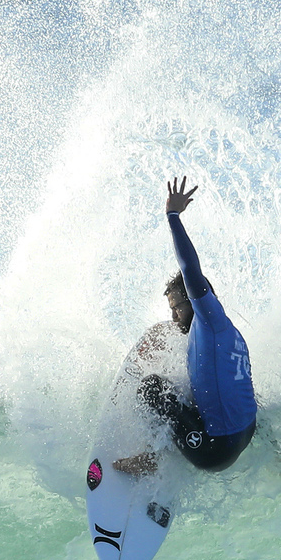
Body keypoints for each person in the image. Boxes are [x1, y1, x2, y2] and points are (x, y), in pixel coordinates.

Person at [112, 177, 257, 475]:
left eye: (177, 307)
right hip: (246, 432)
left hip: (214, 450)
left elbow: (190, 268)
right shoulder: (226, 331)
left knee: (152, 388)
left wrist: (172, 216)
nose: (175, 315)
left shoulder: (208, 315)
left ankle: (150, 458)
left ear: (195, 300)